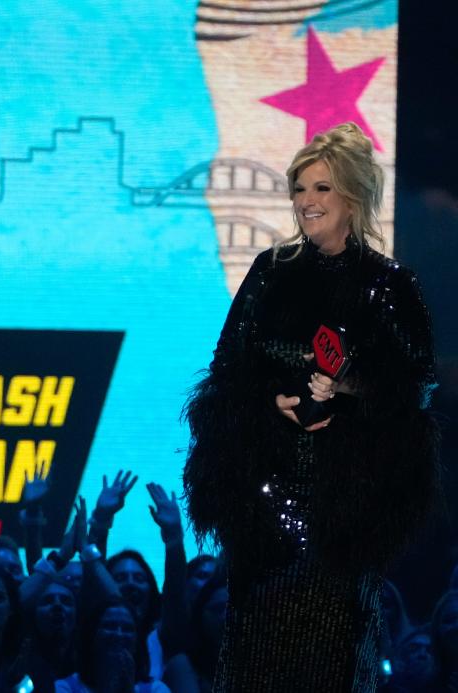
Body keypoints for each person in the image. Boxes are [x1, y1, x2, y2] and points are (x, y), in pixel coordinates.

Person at [182, 122, 440, 691]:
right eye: (299, 188)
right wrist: (271, 398)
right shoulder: (271, 273)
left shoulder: (389, 285)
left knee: (328, 657)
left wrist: (347, 388)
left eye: (321, 188)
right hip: (267, 503)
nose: (306, 201)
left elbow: (417, 386)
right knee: (256, 655)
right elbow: (228, 367)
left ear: (351, 194)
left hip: (341, 509)